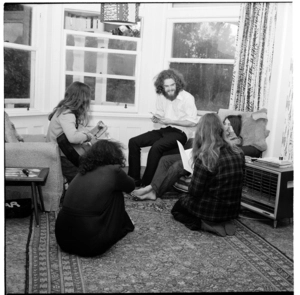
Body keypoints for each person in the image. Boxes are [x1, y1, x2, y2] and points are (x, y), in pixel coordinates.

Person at [132, 114, 244, 202]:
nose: (226, 127)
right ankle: (151, 186)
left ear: (236, 127)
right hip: (195, 155)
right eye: (225, 124)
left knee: (177, 166)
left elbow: (218, 153)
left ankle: (154, 191)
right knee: (165, 159)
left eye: (230, 125)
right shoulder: (219, 135)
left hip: (202, 160)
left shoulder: (236, 142)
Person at [55, 139, 135, 257]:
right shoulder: (114, 171)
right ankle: (124, 226)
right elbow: (131, 186)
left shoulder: (83, 170)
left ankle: (124, 224)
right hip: (91, 244)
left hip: (63, 239)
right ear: (115, 155)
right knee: (117, 191)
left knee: (111, 188)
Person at [128, 68, 198, 187]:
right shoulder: (161, 96)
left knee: (156, 147)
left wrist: (172, 121)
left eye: (172, 85)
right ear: (162, 87)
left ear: (177, 83)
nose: (170, 88)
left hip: (181, 133)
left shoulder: (187, 98)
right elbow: (160, 114)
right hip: (165, 129)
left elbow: (192, 122)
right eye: (167, 86)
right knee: (134, 142)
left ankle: (146, 184)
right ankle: (134, 179)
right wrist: (157, 118)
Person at [46, 81, 96, 184]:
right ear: (82, 99)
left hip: (60, 153)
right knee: (85, 178)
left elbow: (69, 132)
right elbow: (72, 137)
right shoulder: (67, 114)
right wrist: (88, 136)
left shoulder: (63, 110)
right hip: (61, 157)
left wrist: (83, 133)